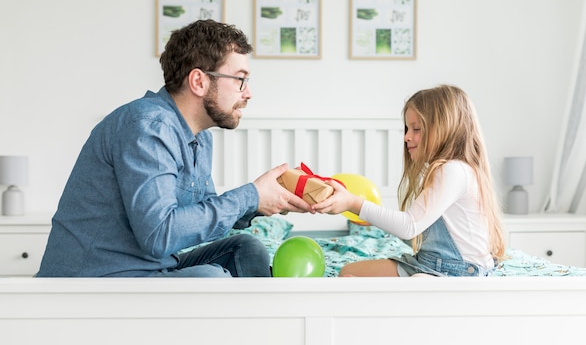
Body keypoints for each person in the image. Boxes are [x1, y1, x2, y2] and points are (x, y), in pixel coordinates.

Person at [36, 19, 313, 278]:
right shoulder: (147, 127)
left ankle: (267, 324)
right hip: (97, 278)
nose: (248, 92)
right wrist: (248, 196)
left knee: (246, 248)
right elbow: (159, 235)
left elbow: (198, 217)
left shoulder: (199, 136)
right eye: (240, 79)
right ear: (199, 81)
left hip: (148, 267)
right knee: (211, 278)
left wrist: (261, 203)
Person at [313, 85, 505, 277]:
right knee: (348, 272)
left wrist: (353, 203)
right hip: (430, 264)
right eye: (407, 129)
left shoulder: (453, 171)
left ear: (445, 128)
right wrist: (373, 220)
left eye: (416, 129)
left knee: (415, 283)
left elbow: (409, 226)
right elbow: (416, 234)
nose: (406, 137)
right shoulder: (453, 170)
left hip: (458, 272)